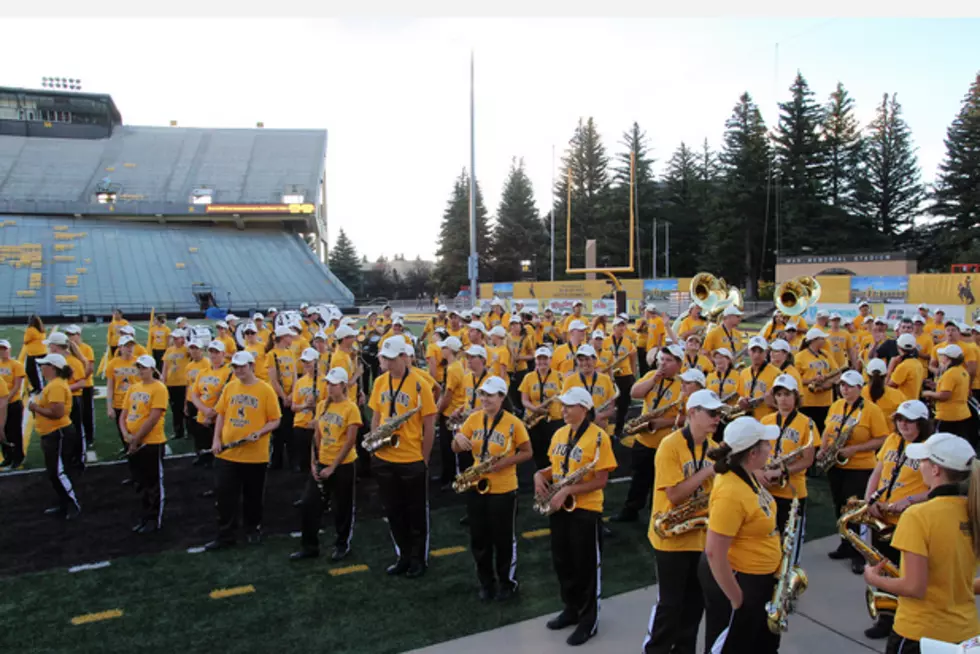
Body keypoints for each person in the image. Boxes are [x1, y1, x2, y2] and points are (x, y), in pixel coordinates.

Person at [864, 432, 980, 654]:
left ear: (936, 469)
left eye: (923, 461)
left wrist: (874, 578)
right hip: (967, 634)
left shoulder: (918, 515)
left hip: (919, 635)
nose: (920, 466)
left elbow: (913, 587)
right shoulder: (974, 509)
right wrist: (959, 586)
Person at [534, 386, 617, 646]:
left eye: (569, 406)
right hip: (560, 507)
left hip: (585, 510)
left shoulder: (599, 437)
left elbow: (601, 480)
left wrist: (569, 489)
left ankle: (588, 620)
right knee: (563, 562)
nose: (564, 410)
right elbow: (555, 466)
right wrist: (540, 475)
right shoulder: (559, 433)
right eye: (563, 405)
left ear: (584, 408)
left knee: (586, 567)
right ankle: (571, 609)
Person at [642, 389, 722, 654]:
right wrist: (709, 470)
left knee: (694, 605)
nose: (717, 418)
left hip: (699, 536)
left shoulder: (713, 448)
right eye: (711, 413)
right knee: (670, 605)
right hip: (671, 537)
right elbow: (674, 495)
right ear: (692, 413)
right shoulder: (670, 445)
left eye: (719, 413)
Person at [700, 416, 782, 653]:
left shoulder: (747, 476)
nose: (770, 448)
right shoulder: (730, 491)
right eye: (766, 444)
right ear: (753, 453)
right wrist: (737, 599)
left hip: (758, 579)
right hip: (743, 581)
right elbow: (714, 552)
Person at [453, 376, 532, 601]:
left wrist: (504, 463)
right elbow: (455, 448)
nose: (485, 399)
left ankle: (508, 582)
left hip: (504, 489)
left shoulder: (513, 423)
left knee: (503, 539)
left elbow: (527, 452)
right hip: (476, 486)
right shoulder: (474, 418)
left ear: (501, 397)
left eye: (489, 395)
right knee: (479, 538)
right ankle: (486, 582)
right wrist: (458, 437)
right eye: (482, 394)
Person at [860, 399, 932, 640]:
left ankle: (907, 622)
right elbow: (878, 471)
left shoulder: (930, 448)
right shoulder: (892, 440)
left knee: (907, 575)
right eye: (899, 419)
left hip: (910, 522)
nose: (903, 424)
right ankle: (886, 618)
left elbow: (937, 488)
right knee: (883, 570)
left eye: (909, 420)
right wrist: (870, 499)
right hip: (883, 519)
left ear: (922, 423)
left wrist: (910, 501)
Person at [368, 339, 438, 578]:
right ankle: (403, 556)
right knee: (394, 511)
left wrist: (424, 458)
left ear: (403, 357)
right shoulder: (379, 382)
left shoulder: (420, 384)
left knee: (416, 513)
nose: (386, 362)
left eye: (391, 358)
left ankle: (419, 559)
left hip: (411, 459)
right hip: (384, 457)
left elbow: (429, 425)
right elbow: (376, 416)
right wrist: (376, 440)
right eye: (385, 358)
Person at [205, 351, 282, 551]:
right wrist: (216, 439)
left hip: (255, 455)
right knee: (224, 495)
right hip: (228, 453)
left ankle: (252, 528)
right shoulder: (230, 387)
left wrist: (259, 432)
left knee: (253, 495)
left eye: (242, 366)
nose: (238, 370)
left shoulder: (265, 390)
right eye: (235, 367)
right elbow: (221, 415)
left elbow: (275, 420)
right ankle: (225, 534)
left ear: (251, 365)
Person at [291, 367, 361, 562]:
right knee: (308, 504)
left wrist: (333, 467)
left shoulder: (351, 408)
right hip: (322, 462)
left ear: (343, 386)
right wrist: (314, 462)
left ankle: (342, 545)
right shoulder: (322, 406)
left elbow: (350, 441)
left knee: (342, 508)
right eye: (328, 383)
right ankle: (309, 546)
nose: (330, 387)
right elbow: (317, 435)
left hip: (343, 465)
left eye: (334, 384)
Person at [823, 370, 890, 573]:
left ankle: (859, 552)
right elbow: (827, 428)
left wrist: (854, 449)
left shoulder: (871, 410)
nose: (844, 389)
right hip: (836, 465)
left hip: (860, 467)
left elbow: (882, 438)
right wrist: (824, 449)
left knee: (855, 511)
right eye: (842, 385)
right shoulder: (836, 405)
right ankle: (845, 543)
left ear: (860, 388)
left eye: (849, 386)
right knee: (840, 507)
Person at [613, 344, 683, 523]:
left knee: (662, 482)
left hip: (666, 443)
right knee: (638, 478)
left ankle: (657, 514)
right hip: (643, 440)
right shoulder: (652, 376)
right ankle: (631, 510)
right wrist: (653, 380)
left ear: (679, 364)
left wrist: (662, 423)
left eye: (669, 361)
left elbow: (688, 418)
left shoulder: (683, 385)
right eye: (662, 360)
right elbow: (634, 393)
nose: (664, 364)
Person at [759, 375, 817, 540]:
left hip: (793, 491)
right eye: (778, 395)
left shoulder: (807, 423)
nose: (782, 399)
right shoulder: (765, 420)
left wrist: (781, 471)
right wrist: (759, 473)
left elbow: (807, 460)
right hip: (766, 489)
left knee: (790, 541)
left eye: (787, 394)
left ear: (795, 396)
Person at [119, 355, 169, 533]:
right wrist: (126, 434)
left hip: (151, 443)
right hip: (133, 441)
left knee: (153, 484)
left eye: (144, 367)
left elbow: (154, 417)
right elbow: (123, 414)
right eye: (139, 367)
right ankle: (145, 515)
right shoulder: (133, 388)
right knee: (140, 482)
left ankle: (154, 519)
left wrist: (137, 438)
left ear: (152, 369)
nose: (141, 370)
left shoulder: (159, 388)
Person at [29, 353, 81, 519]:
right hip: (53, 433)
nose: (41, 368)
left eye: (44, 365)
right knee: (56, 471)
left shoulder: (56, 386)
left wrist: (35, 407)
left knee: (57, 472)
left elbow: (57, 413)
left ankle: (71, 504)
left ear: (53, 368)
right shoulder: (54, 384)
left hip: (57, 433)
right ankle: (64, 502)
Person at [43, 332, 87, 468]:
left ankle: (79, 457)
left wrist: (64, 389)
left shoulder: (74, 362)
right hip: (61, 399)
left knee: (76, 429)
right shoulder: (54, 361)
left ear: (56, 346)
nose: (49, 348)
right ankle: (67, 456)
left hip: (73, 399)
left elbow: (81, 383)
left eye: (51, 346)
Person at [188, 342, 231, 468]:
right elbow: (194, 395)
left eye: (216, 352)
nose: (213, 355)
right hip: (203, 415)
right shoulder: (202, 372)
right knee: (202, 444)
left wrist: (213, 413)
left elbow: (227, 397)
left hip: (218, 418)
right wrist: (205, 410)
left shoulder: (229, 372)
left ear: (223, 353)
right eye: (211, 352)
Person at [520, 347, 563, 472]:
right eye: (539, 359)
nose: (542, 362)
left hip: (554, 420)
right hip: (534, 421)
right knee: (538, 452)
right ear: (535, 360)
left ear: (550, 360)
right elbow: (524, 400)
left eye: (545, 359)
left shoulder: (559, 376)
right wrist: (536, 409)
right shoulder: (528, 377)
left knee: (555, 451)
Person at [923, 344, 975, 444]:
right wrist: (936, 386)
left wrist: (928, 393)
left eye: (943, 356)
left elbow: (945, 396)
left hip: (947, 415)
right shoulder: (962, 371)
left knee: (940, 443)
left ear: (948, 358)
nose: (941, 358)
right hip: (962, 414)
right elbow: (955, 389)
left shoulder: (950, 373)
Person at [561, 345, 617, 432]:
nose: (584, 363)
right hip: (577, 428)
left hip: (600, 428)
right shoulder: (569, 381)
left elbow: (611, 408)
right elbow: (564, 408)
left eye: (587, 359)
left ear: (595, 360)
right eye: (581, 360)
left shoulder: (605, 379)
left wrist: (600, 416)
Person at [106, 336, 141, 475]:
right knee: (125, 438)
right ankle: (133, 471)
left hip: (136, 405)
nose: (129, 349)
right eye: (126, 346)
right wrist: (109, 406)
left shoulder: (138, 362)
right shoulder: (113, 364)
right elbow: (110, 387)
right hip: (120, 404)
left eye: (131, 345)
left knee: (138, 436)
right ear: (120, 347)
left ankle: (140, 470)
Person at [266, 326, 298, 470]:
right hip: (279, 397)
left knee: (291, 430)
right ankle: (276, 461)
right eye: (289, 336)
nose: (291, 339)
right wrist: (284, 396)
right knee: (278, 431)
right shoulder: (272, 355)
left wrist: (292, 394)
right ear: (283, 337)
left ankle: (293, 461)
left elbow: (295, 376)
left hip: (290, 396)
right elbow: (273, 380)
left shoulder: (290, 353)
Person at [292, 348, 327, 477]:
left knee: (316, 459)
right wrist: (305, 405)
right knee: (303, 460)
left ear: (316, 362)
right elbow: (294, 406)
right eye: (304, 362)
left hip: (316, 425)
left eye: (309, 362)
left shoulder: (325, 382)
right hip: (300, 424)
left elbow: (328, 407)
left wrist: (316, 414)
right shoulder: (300, 382)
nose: (306, 365)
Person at [65, 326, 96, 459]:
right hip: (74, 386)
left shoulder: (86, 348)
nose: (71, 337)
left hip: (86, 385)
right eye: (68, 334)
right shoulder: (67, 350)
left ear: (79, 334)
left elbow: (90, 367)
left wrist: (81, 377)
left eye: (73, 334)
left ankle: (89, 437)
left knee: (87, 412)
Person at [796, 328, 836, 433]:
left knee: (823, 431)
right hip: (808, 403)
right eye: (822, 338)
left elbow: (836, 373)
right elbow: (796, 379)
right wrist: (812, 380)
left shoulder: (826, 354)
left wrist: (828, 384)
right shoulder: (800, 356)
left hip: (826, 401)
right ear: (814, 340)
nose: (824, 341)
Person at [605, 316, 638, 437]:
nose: (621, 328)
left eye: (623, 325)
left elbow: (633, 358)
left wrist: (633, 374)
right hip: (611, 375)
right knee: (609, 402)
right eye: (619, 325)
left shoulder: (628, 341)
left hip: (625, 374)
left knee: (624, 403)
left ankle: (619, 429)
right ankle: (606, 427)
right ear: (613, 327)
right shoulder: (606, 341)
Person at [736, 336, 779, 422]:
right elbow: (741, 395)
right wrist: (741, 401)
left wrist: (773, 404)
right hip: (748, 421)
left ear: (766, 352)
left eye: (760, 351)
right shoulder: (744, 373)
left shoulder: (776, 373)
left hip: (769, 421)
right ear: (748, 352)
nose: (756, 355)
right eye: (753, 351)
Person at [0, 340, 26, 468]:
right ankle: (7, 456)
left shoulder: (16, 365)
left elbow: (17, 386)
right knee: (3, 431)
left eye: (4, 349)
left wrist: (6, 399)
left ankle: (18, 457)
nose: (2, 351)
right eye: (0, 349)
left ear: (9, 349)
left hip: (13, 402)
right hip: (1, 403)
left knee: (14, 431)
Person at [160, 329, 189, 441]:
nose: (175, 340)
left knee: (185, 408)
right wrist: (163, 377)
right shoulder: (169, 350)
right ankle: (178, 431)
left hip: (183, 383)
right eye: (174, 338)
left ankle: (188, 431)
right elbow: (165, 365)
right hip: (171, 384)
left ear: (183, 338)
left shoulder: (186, 349)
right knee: (175, 409)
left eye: (177, 338)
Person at [864, 358, 906, 432]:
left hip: (864, 440)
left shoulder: (858, 393)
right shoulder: (898, 395)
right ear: (886, 375)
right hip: (889, 439)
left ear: (867, 375)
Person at [888, 334, 925, 402]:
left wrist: (891, 365)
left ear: (898, 347)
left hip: (902, 404)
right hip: (913, 402)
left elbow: (888, 386)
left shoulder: (904, 366)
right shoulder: (918, 363)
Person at [23, 314, 47, 393]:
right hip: (43, 352)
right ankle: (42, 387)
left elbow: (25, 340)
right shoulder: (41, 329)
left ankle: (38, 388)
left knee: (30, 371)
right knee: (42, 372)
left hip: (33, 354)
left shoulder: (31, 330)